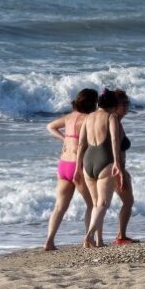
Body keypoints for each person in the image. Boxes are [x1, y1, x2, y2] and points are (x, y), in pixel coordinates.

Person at [43, 88, 99, 250]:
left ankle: (49, 241)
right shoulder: (89, 119)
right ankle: (88, 240)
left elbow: (50, 126)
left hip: (63, 165)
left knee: (60, 206)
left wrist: (64, 140)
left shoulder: (68, 118)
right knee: (92, 204)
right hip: (78, 166)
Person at [77, 88, 129, 247]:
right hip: (105, 159)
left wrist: (77, 167)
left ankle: (98, 241)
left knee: (95, 203)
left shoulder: (88, 117)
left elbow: (81, 143)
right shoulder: (111, 116)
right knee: (103, 203)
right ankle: (89, 235)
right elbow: (114, 140)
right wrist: (117, 164)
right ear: (113, 105)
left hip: (88, 161)